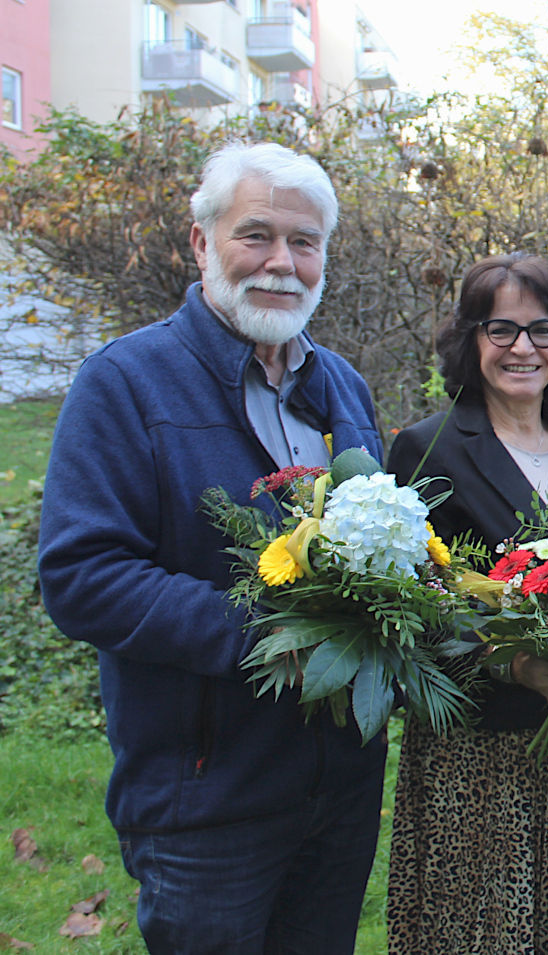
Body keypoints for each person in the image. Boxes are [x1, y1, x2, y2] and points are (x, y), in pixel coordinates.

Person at [38, 142, 386, 953]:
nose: (282, 263)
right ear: (201, 243)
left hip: (339, 786)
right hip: (205, 795)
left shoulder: (341, 386)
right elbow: (82, 575)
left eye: (304, 243)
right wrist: (268, 634)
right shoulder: (126, 382)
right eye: (255, 235)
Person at [384, 254, 548, 955]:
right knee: (480, 929)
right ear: (469, 339)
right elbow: (412, 609)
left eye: (541, 329)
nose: (523, 347)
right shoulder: (427, 448)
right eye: (502, 328)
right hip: (478, 750)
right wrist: (519, 664)